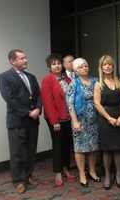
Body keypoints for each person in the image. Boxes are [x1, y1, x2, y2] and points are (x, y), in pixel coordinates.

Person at [0, 49, 41, 194]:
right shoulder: (4, 77)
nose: (26, 60)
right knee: (17, 153)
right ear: (12, 60)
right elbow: (9, 99)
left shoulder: (31, 77)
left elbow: (38, 96)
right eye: (22, 58)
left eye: (25, 58)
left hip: (33, 121)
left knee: (30, 151)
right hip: (17, 121)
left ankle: (28, 176)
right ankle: (19, 181)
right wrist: (28, 112)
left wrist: (38, 109)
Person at [41, 54, 76, 187]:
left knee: (67, 144)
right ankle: (57, 172)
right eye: (54, 64)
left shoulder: (66, 78)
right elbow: (48, 102)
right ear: (49, 67)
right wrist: (54, 121)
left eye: (59, 63)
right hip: (55, 118)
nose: (57, 66)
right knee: (57, 145)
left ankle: (66, 168)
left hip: (68, 117)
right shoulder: (48, 80)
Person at [94, 55, 120, 190]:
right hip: (105, 119)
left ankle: (118, 175)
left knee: (118, 149)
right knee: (107, 150)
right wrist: (109, 118)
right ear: (101, 68)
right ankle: (107, 176)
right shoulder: (98, 84)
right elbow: (96, 103)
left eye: (109, 64)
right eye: (104, 65)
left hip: (119, 117)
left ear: (113, 66)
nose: (107, 67)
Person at [67, 58, 100, 187]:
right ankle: (82, 173)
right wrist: (74, 121)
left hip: (95, 120)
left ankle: (92, 171)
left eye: (85, 65)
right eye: (80, 67)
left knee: (93, 147)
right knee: (80, 147)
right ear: (75, 70)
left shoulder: (95, 80)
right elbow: (70, 105)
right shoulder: (73, 84)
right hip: (79, 120)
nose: (84, 68)